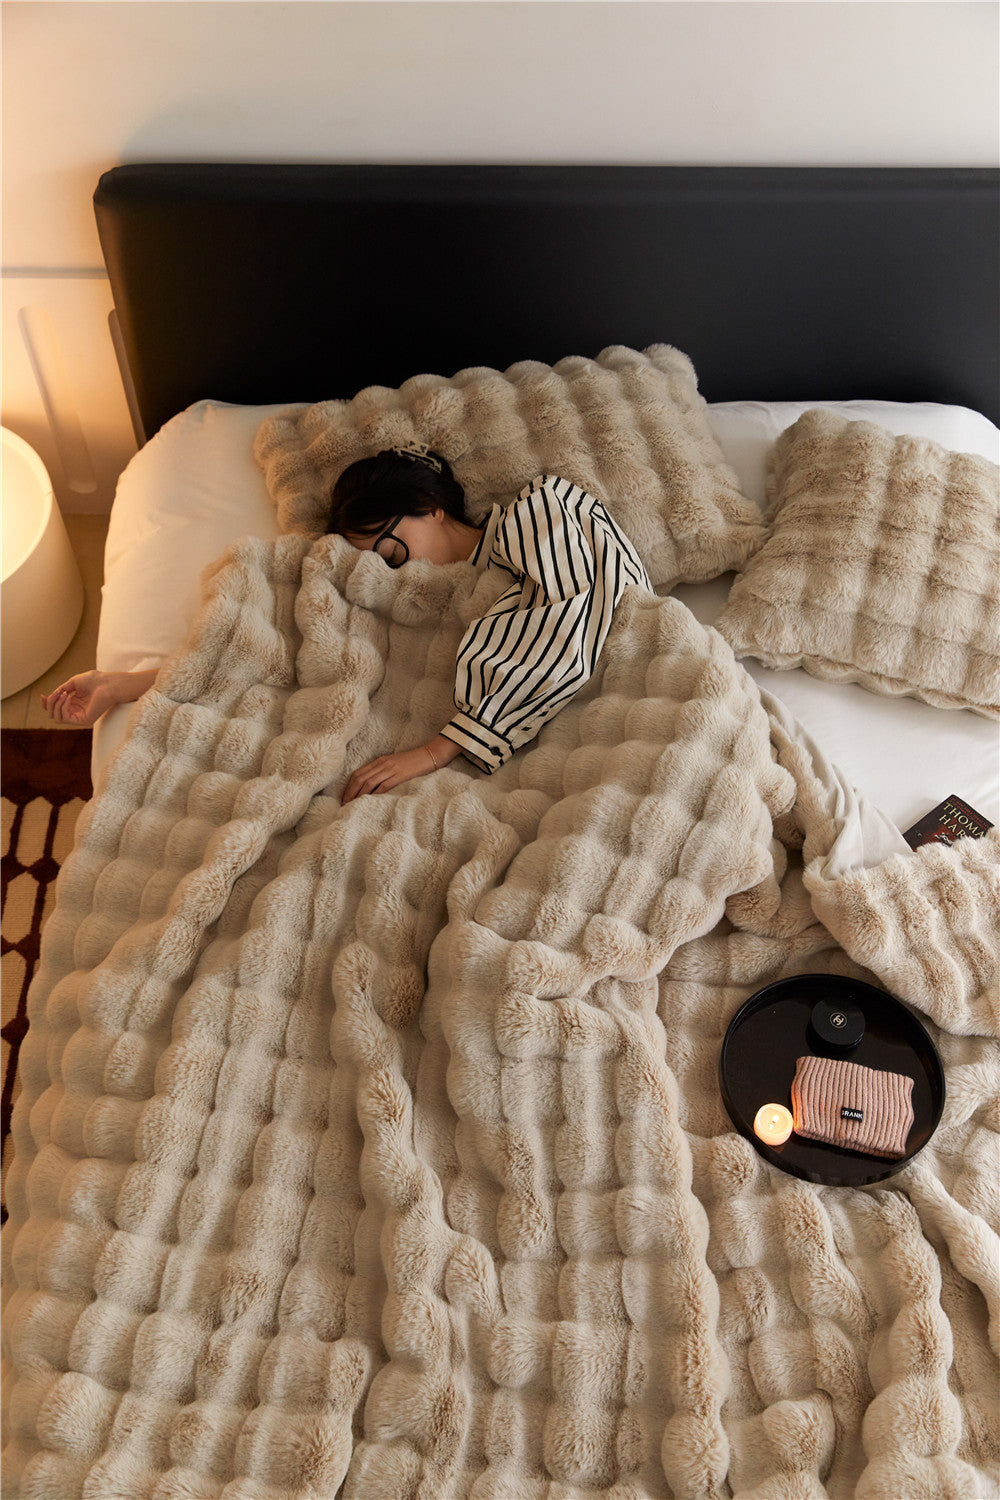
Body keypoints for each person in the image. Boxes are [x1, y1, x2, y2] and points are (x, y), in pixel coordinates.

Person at [43, 445, 652, 803]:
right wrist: (129, 683)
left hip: (629, 699)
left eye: (390, 545)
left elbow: (580, 613)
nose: (389, 567)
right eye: (372, 559)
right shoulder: (399, 597)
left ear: (431, 508)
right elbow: (275, 650)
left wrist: (440, 749)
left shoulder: (540, 509)